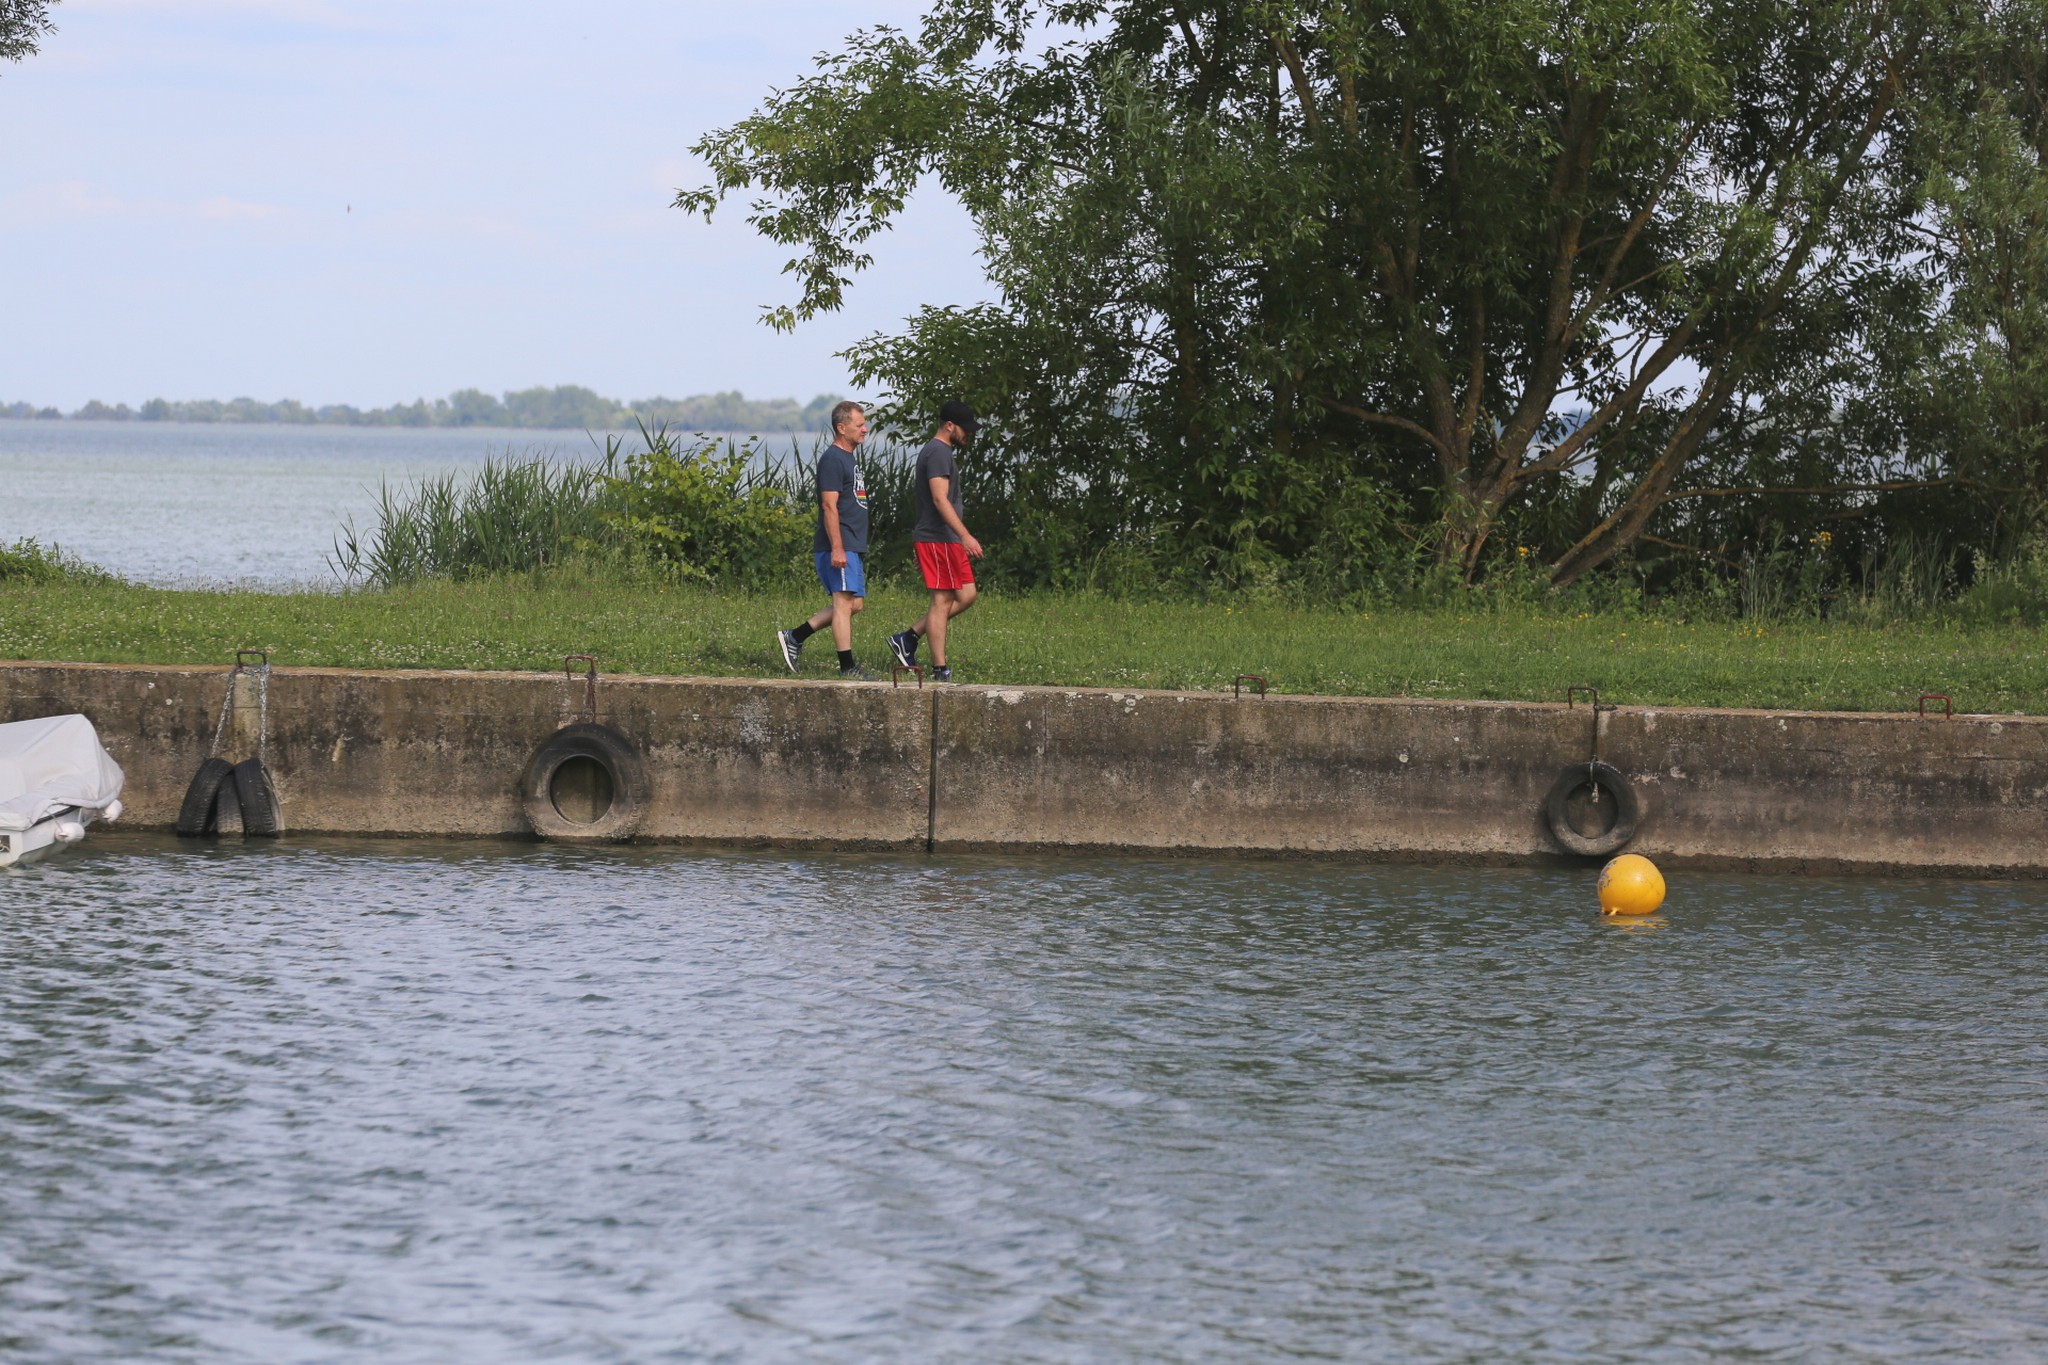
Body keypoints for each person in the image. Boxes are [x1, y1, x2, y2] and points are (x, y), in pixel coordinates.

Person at [777, 401, 877, 680]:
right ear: (841, 428)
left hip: (852, 545)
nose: (865, 429)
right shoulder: (833, 459)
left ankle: (794, 636)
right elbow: (829, 506)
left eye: (864, 424)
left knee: (854, 605)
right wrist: (838, 547)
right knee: (844, 604)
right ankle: (847, 667)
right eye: (859, 425)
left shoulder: (849, 458)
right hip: (840, 544)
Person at [887, 400, 983, 682]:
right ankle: (940, 669)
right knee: (942, 601)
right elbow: (940, 499)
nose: (969, 434)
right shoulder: (939, 453)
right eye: (965, 429)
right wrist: (965, 535)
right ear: (950, 426)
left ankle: (909, 637)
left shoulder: (941, 452)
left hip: (944, 539)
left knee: (966, 595)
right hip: (940, 538)